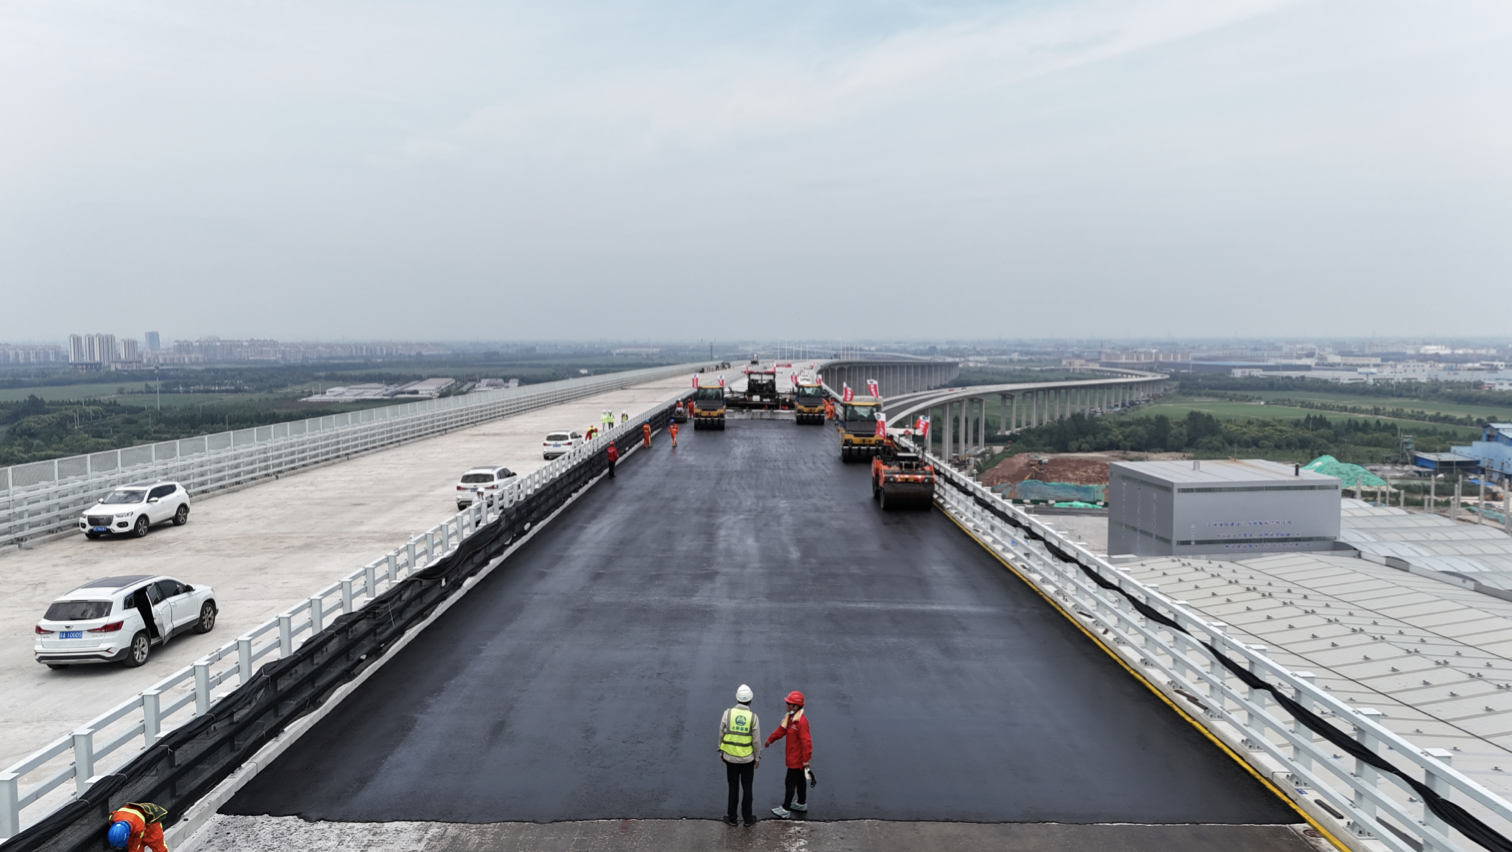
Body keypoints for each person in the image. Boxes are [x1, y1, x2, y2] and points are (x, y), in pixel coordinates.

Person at [719, 684, 762, 826]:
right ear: (750, 700)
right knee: (747, 788)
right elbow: (756, 741)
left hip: (730, 758)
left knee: (733, 787)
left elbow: (721, 733)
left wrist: (721, 750)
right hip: (747, 759)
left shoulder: (728, 713)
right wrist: (757, 757)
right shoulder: (753, 717)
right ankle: (748, 819)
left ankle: (732, 818)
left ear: (737, 698)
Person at [765, 691, 812, 819]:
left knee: (790, 783)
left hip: (796, 760)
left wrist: (806, 759)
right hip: (795, 758)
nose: (786, 705)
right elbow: (781, 730)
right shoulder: (791, 718)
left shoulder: (801, 722)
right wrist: (770, 739)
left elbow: (806, 742)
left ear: (796, 706)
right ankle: (801, 803)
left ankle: (785, 809)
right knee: (800, 781)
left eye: (789, 703)